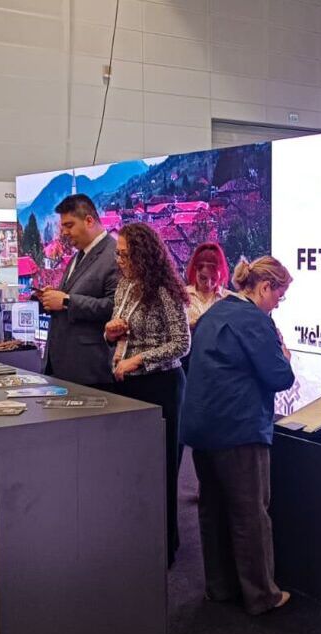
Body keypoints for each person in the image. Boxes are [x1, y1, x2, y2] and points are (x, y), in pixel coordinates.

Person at [182, 256, 295, 615]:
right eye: (278, 296)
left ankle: (220, 587)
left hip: (202, 426)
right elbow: (279, 377)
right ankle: (262, 595)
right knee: (250, 513)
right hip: (239, 427)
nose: (278, 304)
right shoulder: (254, 320)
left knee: (212, 509)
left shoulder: (215, 312)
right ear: (264, 287)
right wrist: (285, 356)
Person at [105, 223, 191, 568]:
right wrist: (110, 333)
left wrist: (140, 358)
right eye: (118, 254)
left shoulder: (164, 290)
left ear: (143, 254)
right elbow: (118, 329)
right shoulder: (124, 285)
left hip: (161, 386)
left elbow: (182, 344)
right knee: (133, 470)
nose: (120, 261)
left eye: (126, 255)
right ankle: (136, 542)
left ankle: (163, 548)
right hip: (129, 386)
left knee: (161, 470)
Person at [37, 194, 119, 388]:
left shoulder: (114, 255)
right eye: (63, 226)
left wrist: (66, 301)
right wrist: (50, 298)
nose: (64, 232)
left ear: (89, 221)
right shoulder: (79, 255)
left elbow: (115, 306)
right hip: (64, 366)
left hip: (91, 369)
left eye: (69, 225)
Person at [185, 241, 229, 331]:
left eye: (214, 279)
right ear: (195, 269)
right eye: (203, 278)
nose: (208, 284)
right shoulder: (183, 295)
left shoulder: (228, 298)